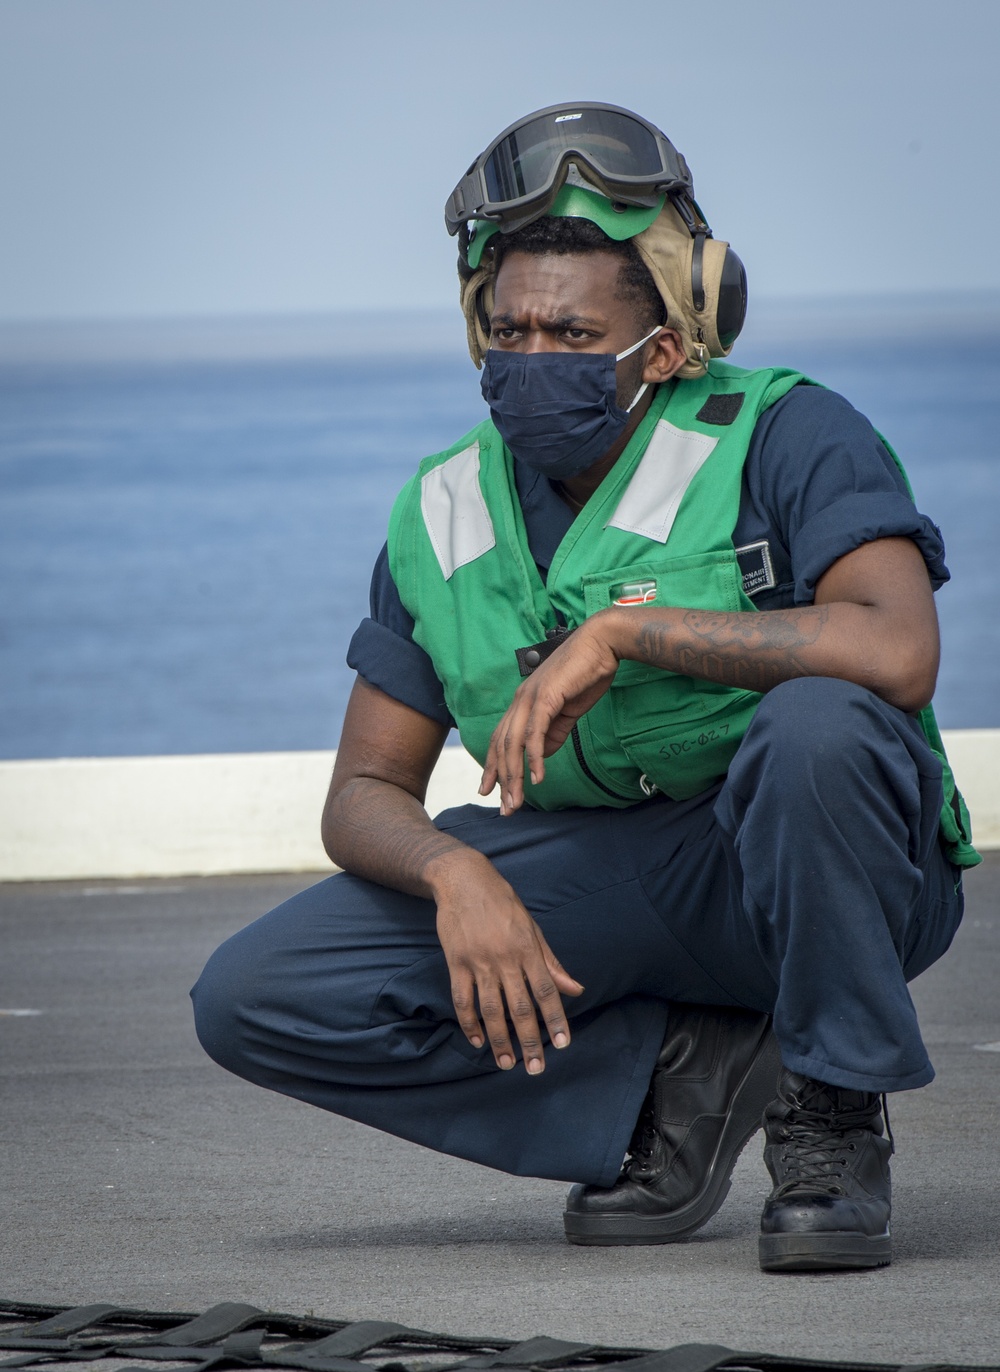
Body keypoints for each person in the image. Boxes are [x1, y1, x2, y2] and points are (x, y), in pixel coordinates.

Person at [192, 102, 980, 1273]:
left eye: (570, 335)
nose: (530, 359)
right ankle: (666, 1083)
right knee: (261, 990)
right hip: (607, 871)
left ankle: (831, 1106)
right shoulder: (442, 508)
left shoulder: (790, 434)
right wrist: (455, 872)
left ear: (662, 347)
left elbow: (896, 648)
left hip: (815, 862)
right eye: (507, 329)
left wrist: (634, 634)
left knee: (818, 728)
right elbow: (362, 790)